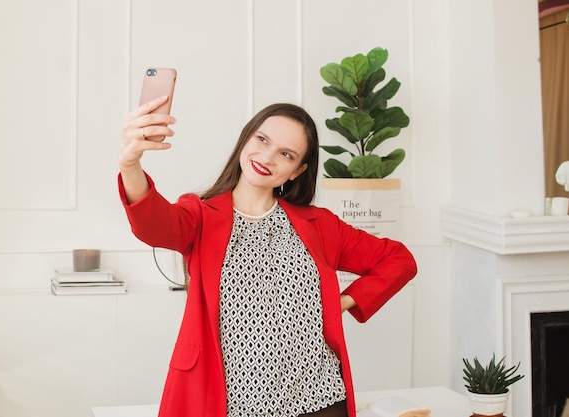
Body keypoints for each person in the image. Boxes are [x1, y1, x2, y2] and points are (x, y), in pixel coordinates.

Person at [118, 96, 418, 417]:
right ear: (246, 138)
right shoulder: (199, 216)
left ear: (297, 170)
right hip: (229, 403)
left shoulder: (320, 225)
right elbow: (153, 224)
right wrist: (130, 164)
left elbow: (399, 260)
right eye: (262, 139)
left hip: (318, 399)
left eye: (285, 154)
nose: (267, 156)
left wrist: (341, 301)